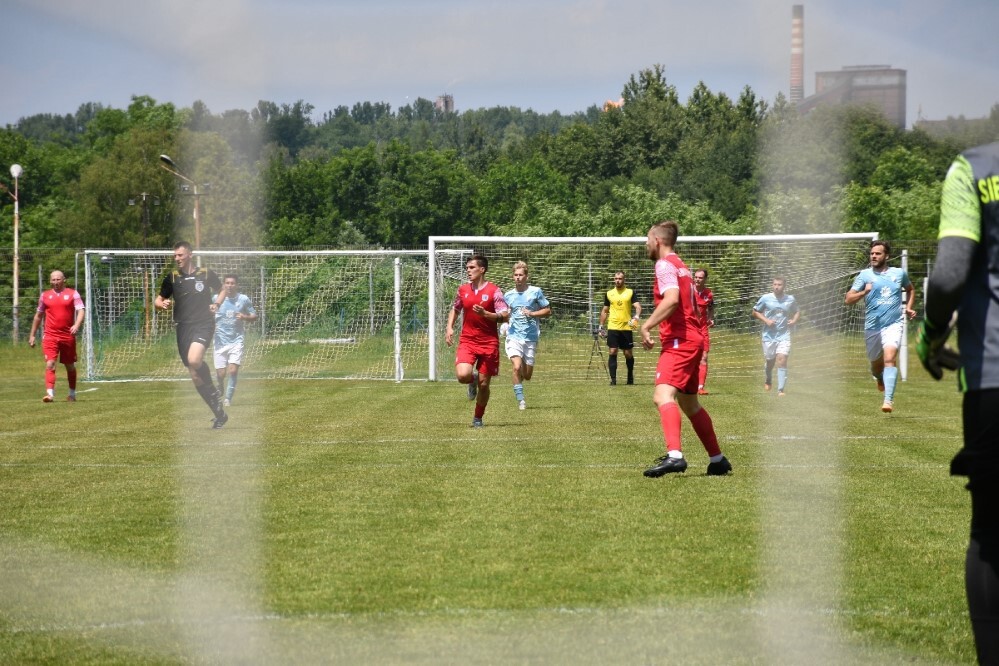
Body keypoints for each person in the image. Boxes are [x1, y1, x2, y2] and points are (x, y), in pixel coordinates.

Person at [916, 141, 999, 664]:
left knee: (991, 532)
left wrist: (929, 333)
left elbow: (948, 274)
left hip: (993, 374)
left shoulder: (977, 167)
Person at [639, 220, 731, 477]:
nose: (646, 244)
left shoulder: (664, 264)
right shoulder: (682, 266)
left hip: (680, 341)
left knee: (662, 396)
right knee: (690, 404)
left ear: (657, 240)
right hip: (694, 338)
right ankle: (718, 460)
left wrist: (646, 326)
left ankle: (675, 456)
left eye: (647, 239)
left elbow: (671, 300)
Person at [155, 241, 228, 429]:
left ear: (189, 254)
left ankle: (213, 388)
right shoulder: (172, 277)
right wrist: (161, 304)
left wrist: (216, 304)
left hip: (204, 323)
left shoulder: (204, 274)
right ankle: (219, 414)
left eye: (180, 255)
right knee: (195, 375)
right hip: (183, 327)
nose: (177, 259)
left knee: (195, 360)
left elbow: (222, 290)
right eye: (175, 256)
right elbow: (158, 299)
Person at [845, 240, 916, 413]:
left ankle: (888, 401)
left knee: (890, 358)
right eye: (872, 253)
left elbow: (910, 289)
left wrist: (907, 307)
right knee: (876, 366)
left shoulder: (898, 273)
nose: (874, 256)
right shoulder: (864, 275)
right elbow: (848, 299)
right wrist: (864, 292)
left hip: (894, 324)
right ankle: (879, 377)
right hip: (872, 326)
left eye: (878, 253)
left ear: (887, 256)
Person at [445, 254, 509, 427]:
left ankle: (478, 418)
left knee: (484, 384)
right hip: (468, 340)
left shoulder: (494, 291)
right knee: (463, 375)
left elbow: (505, 315)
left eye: (472, 267)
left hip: (489, 342)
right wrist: (449, 327)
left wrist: (486, 314)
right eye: (467, 268)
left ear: (482, 269)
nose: (468, 271)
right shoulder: (463, 290)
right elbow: (456, 308)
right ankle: (471, 380)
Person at [28, 270, 86, 402]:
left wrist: (76, 325)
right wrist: (32, 335)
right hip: (50, 336)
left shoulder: (73, 293)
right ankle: (50, 394)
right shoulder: (45, 296)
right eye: (53, 280)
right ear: (50, 281)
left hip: (67, 336)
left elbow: (81, 310)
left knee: (69, 365)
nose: (55, 282)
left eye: (58, 279)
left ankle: (72, 394)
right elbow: (38, 316)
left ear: (64, 280)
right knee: (50, 364)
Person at [502, 261, 551, 410]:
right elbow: (505, 314)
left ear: (526, 276)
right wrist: (504, 323)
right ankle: (521, 400)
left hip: (530, 338)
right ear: (513, 277)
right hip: (513, 337)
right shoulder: (508, 295)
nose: (518, 277)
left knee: (527, 375)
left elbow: (547, 311)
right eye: (515, 275)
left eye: (521, 275)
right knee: (516, 367)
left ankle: (521, 378)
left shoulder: (535, 292)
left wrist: (532, 313)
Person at [214, 274, 258, 407]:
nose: (229, 285)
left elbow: (254, 315)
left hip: (236, 341)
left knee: (232, 370)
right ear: (223, 285)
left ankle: (228, 399)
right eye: (227, 283)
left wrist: (244, 317)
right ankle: (220, 385)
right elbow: (207, 314)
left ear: (236, 285)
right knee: (221, 373)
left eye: (232, 283)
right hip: (219, 341)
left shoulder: (243, 299)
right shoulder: (216, 299)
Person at [752, 277, 800, 396]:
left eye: (779, 284)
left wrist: (794, 320)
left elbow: (797, 311)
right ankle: (768, 379)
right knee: (770, 362)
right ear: (772, 285)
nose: (776, 286)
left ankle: (781, 390)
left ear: (784, 286)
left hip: (784, 335)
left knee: (782, 360)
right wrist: (766, 320)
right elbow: (755, 312)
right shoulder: (766, 298)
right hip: (768, 336)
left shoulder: (790, 299)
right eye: (774, 284)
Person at [598, 271, 642, 385]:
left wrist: (636, 317)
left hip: (627, 327)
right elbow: (605, 311)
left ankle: (630, 377)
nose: (618, 280)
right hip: (613, 326)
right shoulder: (609, 293)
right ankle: (613, 380)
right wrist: (601, 326)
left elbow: (637, 306)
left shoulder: (630, 292)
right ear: (614, 279)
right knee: (612, 351)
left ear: (624, 280)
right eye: (616, 278)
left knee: (628, 353)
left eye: (620, 278)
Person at [693, 268, 715, 395]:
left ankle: (700, 387)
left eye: (700, 277)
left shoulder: (709, 294)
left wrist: (711, 319)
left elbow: (711, 308)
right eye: (695, 277)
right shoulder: (688, 290)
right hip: (689, 328)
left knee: (704, 357)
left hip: (702, 329)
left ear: (705, 279)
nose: (697, 279)